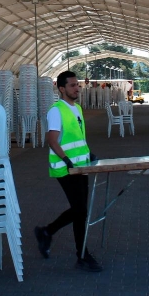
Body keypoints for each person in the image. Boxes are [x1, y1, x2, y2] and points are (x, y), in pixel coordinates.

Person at [34, 70, 102, 273]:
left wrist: (89, 154)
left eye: (77, 84)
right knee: (80, 210)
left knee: (80, 211)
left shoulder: (78, 108)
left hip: (81, 166)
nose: (77, 88)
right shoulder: (56, 110)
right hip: (66, 168)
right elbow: (52, 140)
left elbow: (78, 137)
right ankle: (82, 255)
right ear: (61, 89)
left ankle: (47, 232)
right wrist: (67, 161)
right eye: (72, 85)